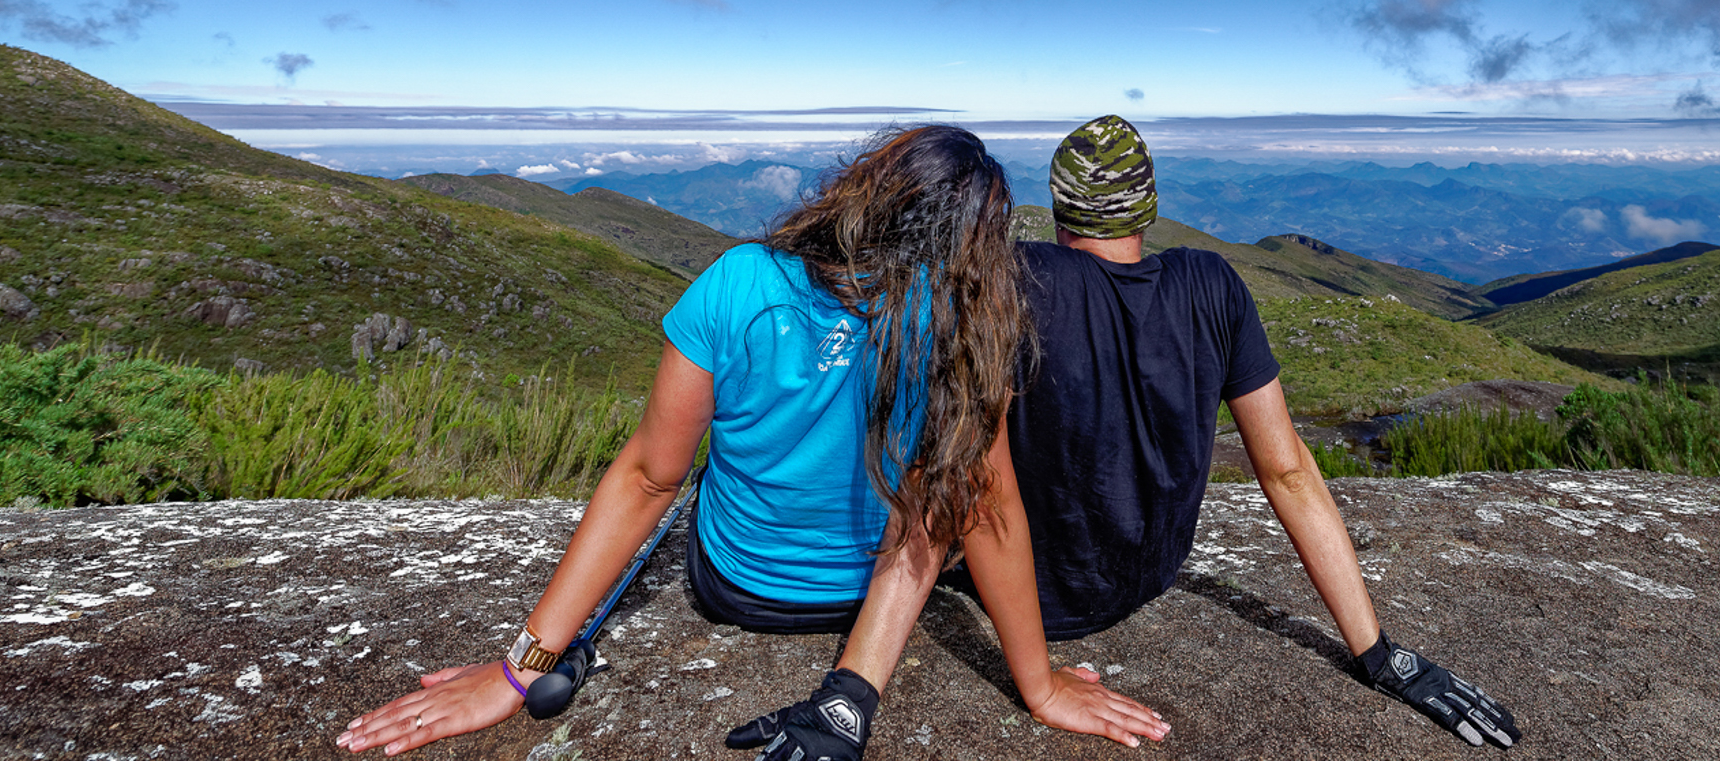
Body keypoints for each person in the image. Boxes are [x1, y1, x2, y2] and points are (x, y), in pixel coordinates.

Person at [334, 125, 1169, 759]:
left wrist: (519, 667)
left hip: (740, 588)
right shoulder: (959, 322)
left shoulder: (737, 281)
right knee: (946, 477)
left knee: (700, 477)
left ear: (858, 189)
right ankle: (858, 681)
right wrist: (1040, 683)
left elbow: (645, 479)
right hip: (871, 595)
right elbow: (984, 508)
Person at [1003, 115, 1521, 748]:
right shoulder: (1212, 284)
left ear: (1059, 208)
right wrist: (1380, 654)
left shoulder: (1016, 282)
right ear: (1148, 210)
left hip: (1039, 603)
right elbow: (1288, 471)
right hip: (1151, 575)